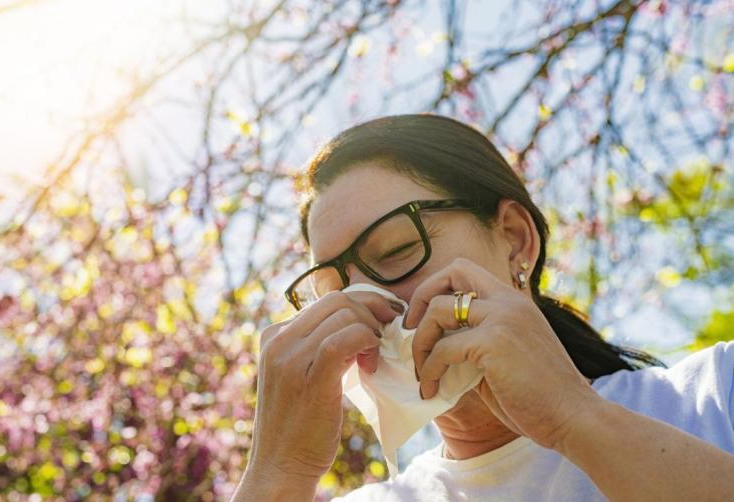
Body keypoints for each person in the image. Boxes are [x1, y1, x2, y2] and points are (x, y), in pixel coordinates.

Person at [231, 114, 734, 501]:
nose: (368, 306)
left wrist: (573, 419)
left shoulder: (715, 394)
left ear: (515, 241)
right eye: (332, 291)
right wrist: (276, 476)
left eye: (396, 251)